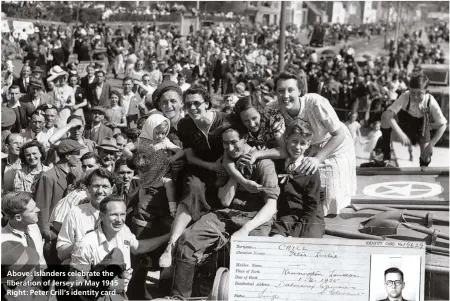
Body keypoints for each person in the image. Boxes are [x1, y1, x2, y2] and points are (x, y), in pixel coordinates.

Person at [170, 125, 279, 297]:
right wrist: (237, 176)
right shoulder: (227, 161)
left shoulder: (264, 164)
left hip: (256, 218)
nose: (230, 148)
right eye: (225, 143)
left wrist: (246, 229)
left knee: (254, 254)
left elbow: (271, 206)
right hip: (228, 214)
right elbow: (225, 200)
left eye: (234, 142)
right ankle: (179, 297)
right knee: (186, 240)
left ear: (245, 139)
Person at [247, 71, 356, 216]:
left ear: (300, 91)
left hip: (334, 144)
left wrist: (317, 159)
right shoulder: (272, 108)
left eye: (290, 90)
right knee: (303, 194)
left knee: (330, 200)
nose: (285, 96)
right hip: (304, 147)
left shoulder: (315, 102)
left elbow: (339, 134)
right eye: (281, 91)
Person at [158, 85, 229, 268]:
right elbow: (190, 156)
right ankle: (171, 245)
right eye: (188, 105)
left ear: (207, 104)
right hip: (200, 167)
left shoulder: (223, 121)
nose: (193, 108)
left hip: (224, 168)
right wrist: (211, 166)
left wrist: (221, 165)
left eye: (197, 103)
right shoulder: (185, 125)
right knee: (193, 189)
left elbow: (234, 146)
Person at [69, 196, 170, 296]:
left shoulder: (124, 230)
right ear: (101, 216)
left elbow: (138, 247)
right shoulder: (85, 245)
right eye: (114, 215)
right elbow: (75, 284)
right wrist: (109, 283)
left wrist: (170, 236)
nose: (119, 220)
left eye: (122, 214)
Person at [270, 119, 325, 238]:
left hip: (309, 217)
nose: (297, 147)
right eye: (294, 141)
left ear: (308, 144)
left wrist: (294, 235)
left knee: (304, 246)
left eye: (302, 143)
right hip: (287, 216)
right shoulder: (279, 163)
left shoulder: (310, 170)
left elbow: (312, 207)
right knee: (276, 239)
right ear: (286, 139)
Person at [380, 73, 447, 167]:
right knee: (384, 116)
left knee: (426, 156)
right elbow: (387, 115)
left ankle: (423, 167)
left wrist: (431, 145)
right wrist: (400, 133)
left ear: (426, 92)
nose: (415, 97)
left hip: (422, 125)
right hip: (405, 122)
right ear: (409, 89)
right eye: (412, 92)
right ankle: (386, 154)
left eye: (419, 93)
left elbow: (443, 125)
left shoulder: (430, 101)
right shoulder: (405, 96)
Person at [34, 139, 83, 265]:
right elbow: (42, 207)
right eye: (77, 154)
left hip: (66, 233)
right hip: (53, 235)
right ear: (67, 156)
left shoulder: (72, 176)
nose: (79, 157)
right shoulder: (48, 177)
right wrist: (47, 235)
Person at [56, 168, 114, 262]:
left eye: (105, 186)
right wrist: (82, 243)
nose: (100, 191)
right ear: (88, 188)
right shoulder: (75, 213)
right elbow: (61, 254)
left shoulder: (119, 213)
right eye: (96, 186)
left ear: (112, 188)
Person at [133, 114, 185, 218]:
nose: (160, 136)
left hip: (161, 175)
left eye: (163, 133)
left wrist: (173, 158)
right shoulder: (143, 142)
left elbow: (180, 151)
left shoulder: (165, 141)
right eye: (157, 133)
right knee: (142, 189)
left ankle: (172, 208)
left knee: (169, 183)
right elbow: (133, 153)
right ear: (149, 129)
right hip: (147, 174)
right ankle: (140, 207)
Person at [1, 191, 46, 267]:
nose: (38, 210)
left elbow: (40, 258)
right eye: (32, 210)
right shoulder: (3, 241)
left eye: (35, 206)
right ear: (18, 217)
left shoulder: (34, 227)